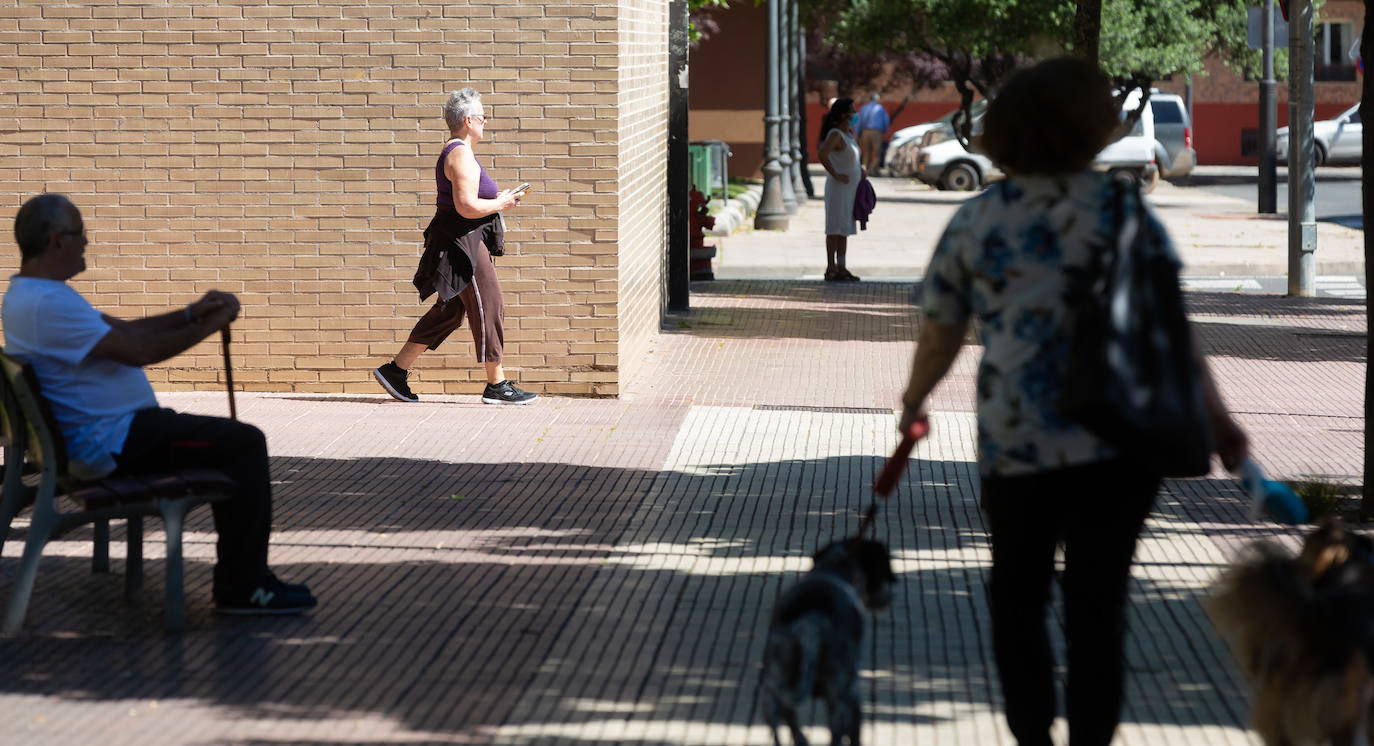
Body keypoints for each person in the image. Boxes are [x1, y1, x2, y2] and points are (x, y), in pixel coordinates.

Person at [897, 57, 1249, 746]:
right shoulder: (1122, 209)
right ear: (1090, 130)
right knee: (1100, 609)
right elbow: (1170, 328)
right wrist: (1221, 420)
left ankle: (1033, 737)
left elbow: (941, 331)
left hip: (1017, 443)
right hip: (1119, 441)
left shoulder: (980, 219)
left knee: (1017, 603)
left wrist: (915, 401)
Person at [6, 193, 317, 615]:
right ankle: (243, 587)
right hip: (113, 445)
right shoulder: (48, 302)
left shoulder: (31, 295)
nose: (86, 244)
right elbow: (139, 352)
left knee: (230, 440)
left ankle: (244, 581)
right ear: (57, 241)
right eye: (80, 234)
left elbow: (127, 331)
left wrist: (192, 313)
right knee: (243, 444)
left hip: (116, 434)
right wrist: (211, 324)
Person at [371, 87, 536, 405]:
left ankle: (396, 371)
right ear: (469, 120)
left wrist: (498, 199)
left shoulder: (461, 152)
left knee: (451, 309)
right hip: (463, 243)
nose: (486, 121)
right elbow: (466, 208)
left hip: (462, 239)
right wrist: (501, 203)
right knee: (490, 304)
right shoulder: (459, 153)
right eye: (483, 116)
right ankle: (496, 384)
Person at [816, 98, 863, 282]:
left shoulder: (849, 135)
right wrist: (835, 174)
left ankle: (842, 266)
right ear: (843, 114)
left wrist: (861, 170)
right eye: (852, 111)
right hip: (838, 189)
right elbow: (822, 154)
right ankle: (830, 267)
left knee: (844, 228)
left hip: (850, 190)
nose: (855, 114)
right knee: (834, 227)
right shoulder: (835, 135)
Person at [856, 93, 890, 174]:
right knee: (877, 152)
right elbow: (886, 121)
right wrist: (884, 131)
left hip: (865, 131)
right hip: (876, 131)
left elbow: (859, 121)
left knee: (865, 152)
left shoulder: (863, 108)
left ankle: (864, 169)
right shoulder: (880, 108)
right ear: (876, 99)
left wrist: (858, 133)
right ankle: (874, 169)